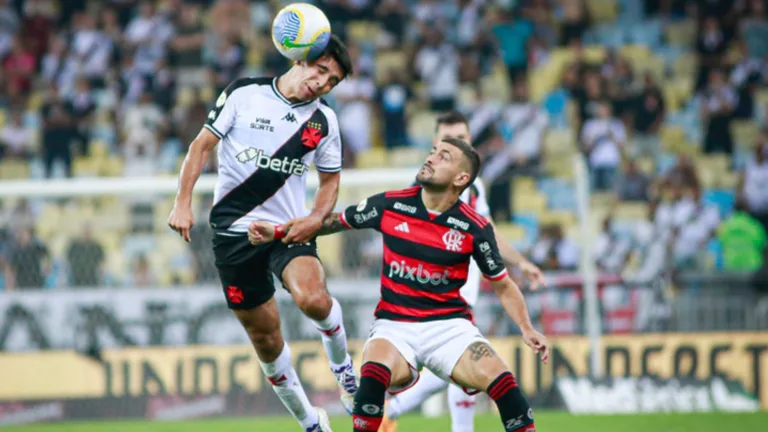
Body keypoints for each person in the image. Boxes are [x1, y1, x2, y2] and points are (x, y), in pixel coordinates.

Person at [249, 137, 550, 432]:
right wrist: (277, 232)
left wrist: (526, 327)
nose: (431, 157)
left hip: (449, 327)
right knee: (371, 381)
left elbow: (503, 285)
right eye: (433, 151)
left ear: (462, 178)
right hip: (394, 326)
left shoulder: (475, 228)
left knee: (506, 386)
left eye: (443, 156)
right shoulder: (391, 204)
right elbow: (331, 222)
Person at [167, 35, 355, 432]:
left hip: (286, 230)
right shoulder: (243, 94)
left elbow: (329, 182)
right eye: (322, 71)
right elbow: (201, 147)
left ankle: (345, 373)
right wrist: (182, 201)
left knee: (313, 300)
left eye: (333, 81)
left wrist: (315, 218)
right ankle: (310, 421)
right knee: (265, 339)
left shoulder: (324, 121)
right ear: (302, 59)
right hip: (233, 235)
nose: (323, 84)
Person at [380, 111, 545, 432]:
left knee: (463, 371)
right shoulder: (424, 188)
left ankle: (396, 409)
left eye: (463, 139)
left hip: (463, 291)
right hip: (437, 297)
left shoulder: (474, 185)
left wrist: (520, 262)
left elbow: (489, 232)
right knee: (458, 366)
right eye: (448, 140)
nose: (457, 144)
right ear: (434, 144)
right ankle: (393, 407)